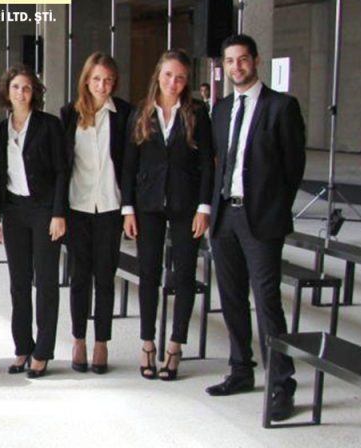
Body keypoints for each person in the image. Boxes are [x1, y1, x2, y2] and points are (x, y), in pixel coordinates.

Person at [204, 34, 306, 423]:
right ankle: (241, 370)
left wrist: (273, 207)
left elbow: (293, 168)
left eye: (243, 59)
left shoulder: (281, 106)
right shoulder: (221, 109)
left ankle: (281, 384)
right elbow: (218, 162)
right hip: (225, 217)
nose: (237, 67)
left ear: (256, 61)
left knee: (267, 302)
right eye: (230, 61)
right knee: (231, 297)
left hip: (261, 219)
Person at [121, 50, 213, 381]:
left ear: (187, 81)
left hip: (186, 204)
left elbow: (207, 164)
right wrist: (128, 209)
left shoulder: (197, 113)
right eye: (168, 75)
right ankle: (147, 343)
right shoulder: (141, 113)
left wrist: (204, 207)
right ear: (158, 75)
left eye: (180, 77)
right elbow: (129, 164)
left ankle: (175, 345)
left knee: (184, 275)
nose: (173, 82)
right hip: (147, 204)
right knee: (148, 273)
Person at [0, 67, 68, 379]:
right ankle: (22, 346)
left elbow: (62, 171)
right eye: (16, 87)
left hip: (44, 210)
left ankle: (42, 352)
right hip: (14, 210)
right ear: (7, 92)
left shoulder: (49, 125)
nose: (21, 93)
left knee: (46, 281)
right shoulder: (0, 130)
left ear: (34, 93)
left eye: (27, 88)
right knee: (18, 282)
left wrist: (59, 213)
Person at [60, 52, 132, 375]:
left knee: (105, 277)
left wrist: (129, 208)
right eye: (97, 79)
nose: (103, 86)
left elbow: (129, 165)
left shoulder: (124, 113)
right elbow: (63, 167)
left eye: (108, 80)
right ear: (86, 80)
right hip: (78, 206)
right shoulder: (69, 114)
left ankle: (102, 341)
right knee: (79, 278)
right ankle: (79, 339)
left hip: (110, 207)